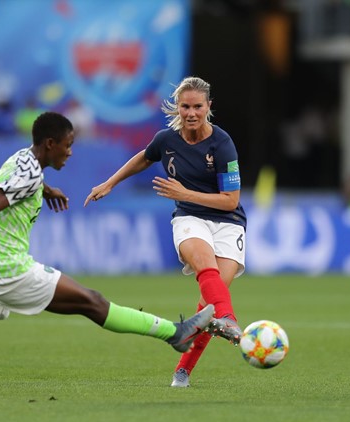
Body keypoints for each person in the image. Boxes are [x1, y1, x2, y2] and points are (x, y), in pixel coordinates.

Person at [0, 112, 214, 396]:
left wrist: (47, 190)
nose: (71, 151)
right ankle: (174, 333)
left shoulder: (23, 159)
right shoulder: (31, 175)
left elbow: (17, 183)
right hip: (5, 268)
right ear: (50, 143)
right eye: (67, 144)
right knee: (93, 302)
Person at [84, 76, 245, 388]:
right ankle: (231, 321)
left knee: (209, 302)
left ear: (208, 107)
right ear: (178, 107)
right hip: (189, 218)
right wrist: (110, 182)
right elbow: (143, 158)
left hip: (228, 221)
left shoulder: (222, 145)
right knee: (205, 268)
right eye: (185, 106)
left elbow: (231, 200)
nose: (191, 112)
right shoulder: (166, 140)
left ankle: (183, 369)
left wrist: (185, 193)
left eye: (198, 106)